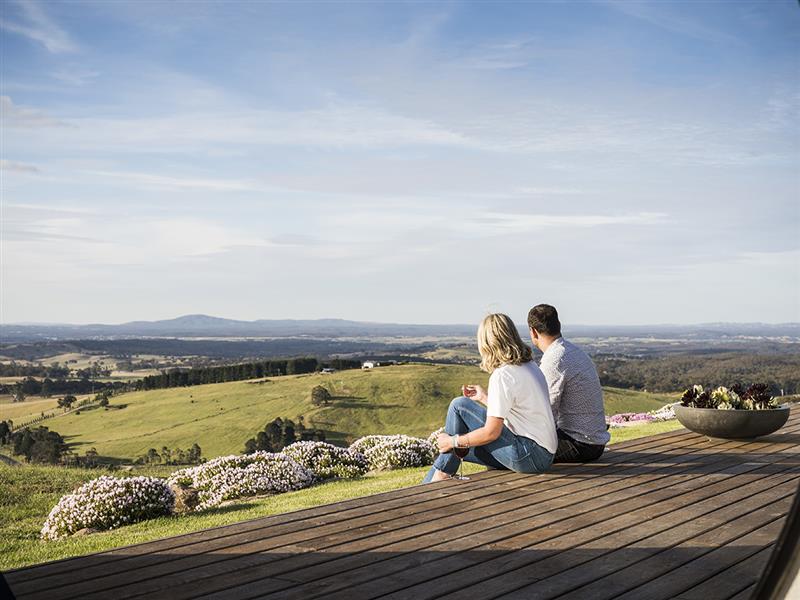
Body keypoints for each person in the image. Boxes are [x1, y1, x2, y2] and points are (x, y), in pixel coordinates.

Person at [423, 313, 557, 483]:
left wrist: (453, 440)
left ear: (487, 343)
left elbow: (491, 433)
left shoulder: (503, 374)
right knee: (455, 453)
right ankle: (441, 472)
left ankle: (441, 474)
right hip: (543, 456)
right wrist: (485, 398)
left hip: (528, 455)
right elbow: (520, 413)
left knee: (459, 406)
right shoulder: (529, 366)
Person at [528, 304, 610, 463]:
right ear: (558, 326)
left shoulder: (554, 360)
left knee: (515, 450)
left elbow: (545, 412)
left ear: (533, 331)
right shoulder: (573, 351)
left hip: (580, 444)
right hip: (593, 442)